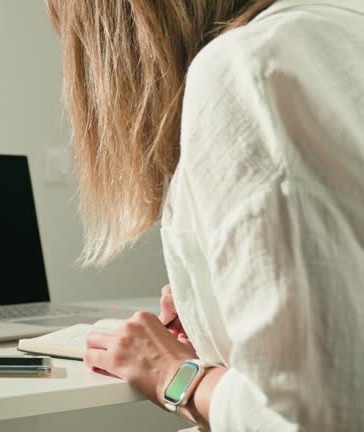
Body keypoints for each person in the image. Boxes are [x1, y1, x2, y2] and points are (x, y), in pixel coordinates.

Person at [46, 0, 364, 430]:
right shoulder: (337, 26)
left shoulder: (244, 68)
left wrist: (171, 373)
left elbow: (310, 418)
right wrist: (218, 314)